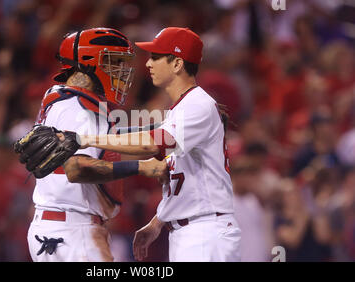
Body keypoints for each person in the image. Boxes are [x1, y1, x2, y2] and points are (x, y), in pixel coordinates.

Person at [79, 27, 241, 262]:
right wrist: (158, 222)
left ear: (177, 64)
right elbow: (187, 180)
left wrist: (88, 138)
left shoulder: (197, 104)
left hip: (205, 232)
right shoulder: (181, 109)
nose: (148, 63)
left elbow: (151, 144)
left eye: (156, 56)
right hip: (193, 232)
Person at [25, 28, 168, 262]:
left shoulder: (62, 97)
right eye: (114, 62)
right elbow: (77, 168)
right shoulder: (81, 107)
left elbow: (104, 140)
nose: (122, 71)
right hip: (74, 230)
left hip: (59, 227)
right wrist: (141, 167)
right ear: (89, 61)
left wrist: (155, 133)